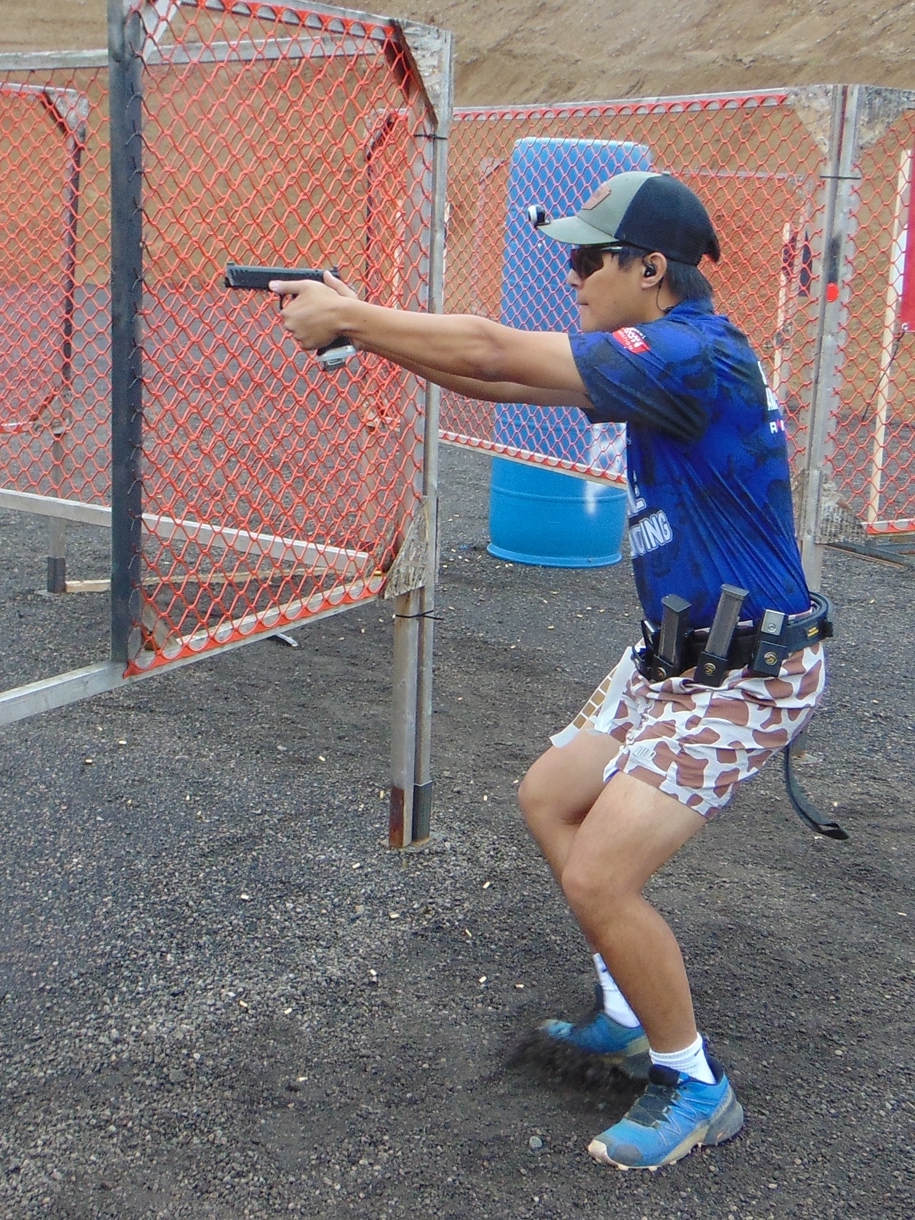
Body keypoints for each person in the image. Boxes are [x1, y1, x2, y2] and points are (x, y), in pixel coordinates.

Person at [271, 171, 829, 1171]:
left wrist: (350, 310)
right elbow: (495, 377)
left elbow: (491, 347)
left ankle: (695, 1082)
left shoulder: (692, 355)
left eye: (587, 258)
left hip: (745, 672)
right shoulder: (660, 356)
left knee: (601, 870)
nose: (570, 276)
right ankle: (627, 1006)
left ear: (648, 268)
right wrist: (368, 331)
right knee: (547, 797)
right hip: (672, 656)